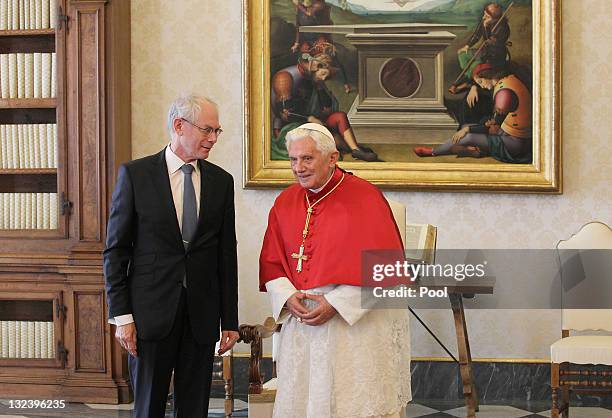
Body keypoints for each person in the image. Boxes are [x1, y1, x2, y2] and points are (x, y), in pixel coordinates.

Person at [259, 122, 411, 417]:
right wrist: (288, 296)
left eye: (307, 158)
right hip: (302, 319)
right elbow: (272, 263)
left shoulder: (365, 198)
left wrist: (336, 303)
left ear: (332, 158)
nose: (298, 168)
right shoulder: (285, 201)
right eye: (293, 159)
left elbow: (385, 268)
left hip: (351, 328)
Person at [104, 94, 240, 418]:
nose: (213, 139)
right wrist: (122, 318)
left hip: (201, 318)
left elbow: (226, 255)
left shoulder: (222, 182)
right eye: (207, 130)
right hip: (149, 317)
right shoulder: (136, 175)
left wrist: (230, 320)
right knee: (148, 407)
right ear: (179, 126)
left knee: (194, 409)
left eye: (217, 131)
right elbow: (115, 251)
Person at [271, 47, 378, 162]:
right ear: (314, 65)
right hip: (290, 126)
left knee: (340, 116)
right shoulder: (285, 77)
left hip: (313, 122)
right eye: (322, 71)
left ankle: (356, 150)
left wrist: (319, 86)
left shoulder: (313, 79)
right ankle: (347, 146)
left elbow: (327, 109)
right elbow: (285, 113)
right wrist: (310, 118)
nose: (324, 77)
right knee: (336, 142)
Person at [415, 64, 532, 163]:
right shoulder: (507, 80)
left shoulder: (504, 93)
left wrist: (468, 131)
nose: (481, 85)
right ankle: (476, 150)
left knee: (468, 134)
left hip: (516, 144)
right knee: (465, 127)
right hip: (509, 132)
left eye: (481, 81)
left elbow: (493, 127)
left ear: (488, 76)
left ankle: (432, 152)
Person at [447, 3, 511, 125]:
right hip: (485, 52)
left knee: (477, 67)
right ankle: (471, 80)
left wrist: (487, 28)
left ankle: (469, 82)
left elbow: (491, 43)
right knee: (463, 55)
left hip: (495, 58)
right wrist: (467, 46)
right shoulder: (485, 22)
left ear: (496, 18)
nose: (483, 18)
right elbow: (477, 35)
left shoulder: (503, 27)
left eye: (487, 16)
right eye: (484, 14)